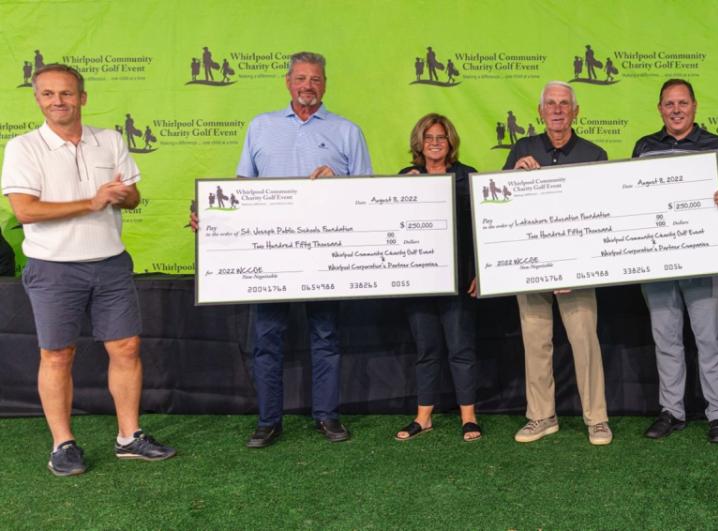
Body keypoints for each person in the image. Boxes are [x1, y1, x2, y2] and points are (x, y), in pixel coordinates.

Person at [2, 64, 175, 476]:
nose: (57, 101)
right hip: (54, 268)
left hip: (111, 264)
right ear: (37, 100)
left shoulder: (110, 140)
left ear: (82, 97)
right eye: (48, 94)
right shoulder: (23, 147)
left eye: (66, 93)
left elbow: (132, 199)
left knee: (127, 348)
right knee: (58, 355)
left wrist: (121, 195)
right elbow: (25, 210)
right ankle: (63, 445)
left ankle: (129, 437)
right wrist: (92, 202)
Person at [192, 51, 372, 448]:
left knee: (325, 336)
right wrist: (211, 217)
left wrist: (339, 179)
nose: (309, 86)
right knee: (267, 339)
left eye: (317, 79)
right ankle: (268, 420)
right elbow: (241, 191)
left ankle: (327, 416)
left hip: (327, 257)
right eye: (301, 78)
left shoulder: (347, 131)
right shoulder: (261, 127)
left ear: (325, 85)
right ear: (288, 82)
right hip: (269, 259)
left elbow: (367, 196)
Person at [631, 79, 718, 443]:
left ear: (695, 106)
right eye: (669, 103)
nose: (676, 109)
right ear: (659, 108)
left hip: (703, 259)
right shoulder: (644, 148)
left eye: (683, 103)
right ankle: (672, 411)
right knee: (665, 338)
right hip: (658, 260)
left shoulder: (716, 146)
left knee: (709, 338)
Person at [505, 81, 611, 445]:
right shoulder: (522, 149)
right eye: (550, 103)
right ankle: (541, 416)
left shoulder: (595, 154)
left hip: (578, 271)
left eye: (564, 103)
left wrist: (577, 267)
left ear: (576, 111)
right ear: (540, 111)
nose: (557, 109)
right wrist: (513, 176)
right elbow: (501, 207)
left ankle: (597, 419)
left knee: (585, 343)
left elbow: (602, 215)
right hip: (531, 265)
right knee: (535, 342)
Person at [394, 113, 482, 442]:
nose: (434, 143)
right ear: (419, 142)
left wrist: (478, 270)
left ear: (450, 142)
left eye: (441, 138)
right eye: (428, 137)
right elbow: (394, 226)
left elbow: (479, 228)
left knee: (461, 348)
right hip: (419, 281)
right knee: (427, 349)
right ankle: (423, 417)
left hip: (459, 280)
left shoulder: (466, 176)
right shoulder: (405, 178)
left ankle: (468, 418)